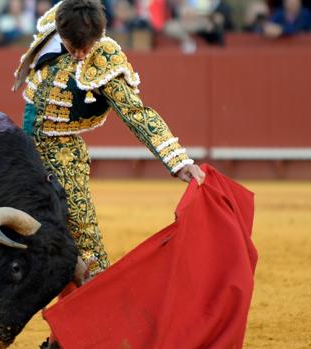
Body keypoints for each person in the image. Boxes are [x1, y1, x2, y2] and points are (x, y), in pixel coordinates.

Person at [12, 1, 205, 346]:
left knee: (87, 251)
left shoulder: (104, 60)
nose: (83, 53)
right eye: (75, 47)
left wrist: (178, 161)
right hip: (21, 153)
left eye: (88, 45)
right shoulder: (54, 23)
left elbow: (137, 113)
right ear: (60, 32)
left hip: (62, 157)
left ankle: (77, 337)